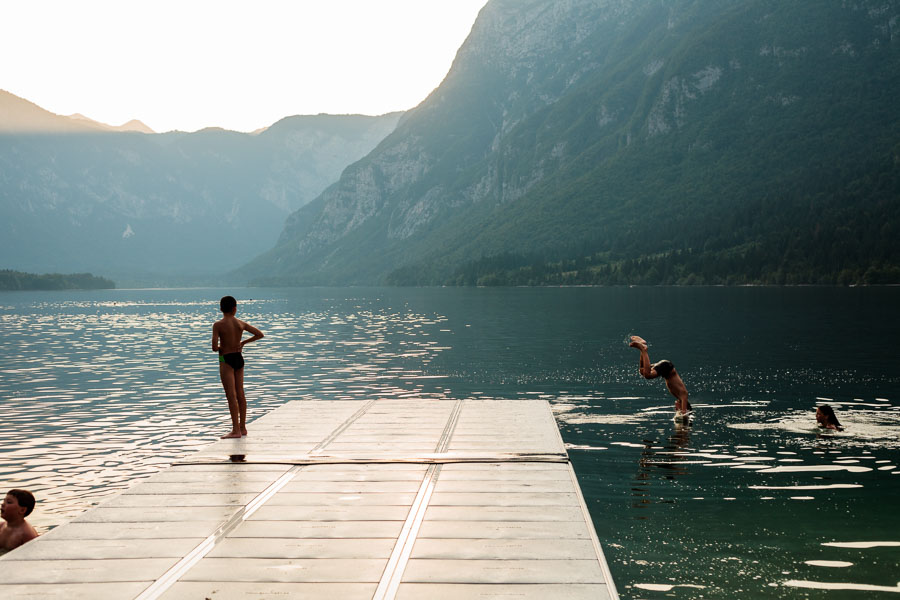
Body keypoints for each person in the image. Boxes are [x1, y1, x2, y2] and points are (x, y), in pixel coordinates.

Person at [212, 296, 264, 439]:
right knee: (240, 393)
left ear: (221, 309)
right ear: (235, 309)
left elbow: (214, 347)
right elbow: (260, 334)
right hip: (239, 359)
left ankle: (235, 430)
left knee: (231, 395)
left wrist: (220, 348)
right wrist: (243, 342)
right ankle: (243, 427)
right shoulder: (240, 323)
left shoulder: (218, 325)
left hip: (225, 359)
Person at [629, 335, 692, 415]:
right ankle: (644, 349)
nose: (675, 409)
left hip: (666, 369)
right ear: (685, 406)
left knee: (642, 371)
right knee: (648, 375)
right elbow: (684, 413)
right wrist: (684, 415)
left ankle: (642, 345)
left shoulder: (679, 396)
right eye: (678, 409)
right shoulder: (684, 396)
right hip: (667, 367)